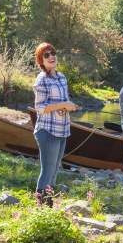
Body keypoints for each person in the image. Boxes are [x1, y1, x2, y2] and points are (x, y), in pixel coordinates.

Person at [33, 42, 78, 207]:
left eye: (53, 53)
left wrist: (69, 106)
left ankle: (48, 205)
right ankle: (41, 206)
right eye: (46, 55)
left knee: (55, 171)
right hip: (47, 131)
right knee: (47, 171)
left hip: (62, 130)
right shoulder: (41, 79)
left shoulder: (62, 77)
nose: (51, 57)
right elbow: (40, 108)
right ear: (41, 61)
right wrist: (63, 105)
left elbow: (62, 102)